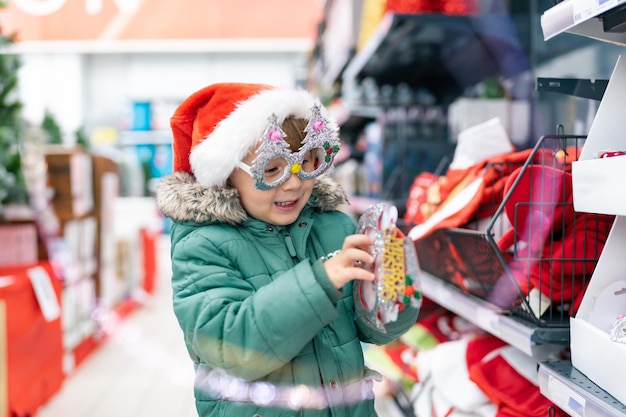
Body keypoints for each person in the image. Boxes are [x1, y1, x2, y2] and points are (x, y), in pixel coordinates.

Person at [156, 82, 420, 417]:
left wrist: (393, 292)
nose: (294, 183)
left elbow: (369, 329)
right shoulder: (203, 244)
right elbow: (233, 348)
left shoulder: (334, 226)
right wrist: (320, 282)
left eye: (307, 163)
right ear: (227, 174)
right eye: (271, 169)